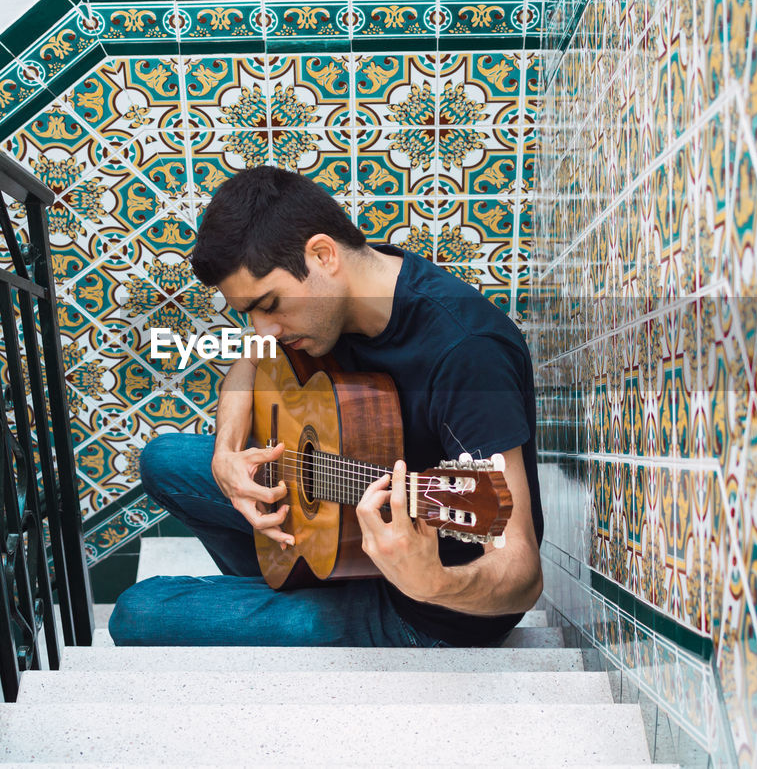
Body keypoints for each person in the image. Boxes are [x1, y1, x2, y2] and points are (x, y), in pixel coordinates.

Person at [108, 166, 544, 648]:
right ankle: (297, 572)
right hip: (342, 531)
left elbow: (521, 573)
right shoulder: (338, 299)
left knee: (137, 613)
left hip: (427, 606)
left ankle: (289, 596)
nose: (263, 331)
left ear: (322, 254)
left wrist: (434, 583)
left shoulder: (466, 353)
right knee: (162, 459)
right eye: (249, 314)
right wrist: (227, 453)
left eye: (269, 303)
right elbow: (251, 364)